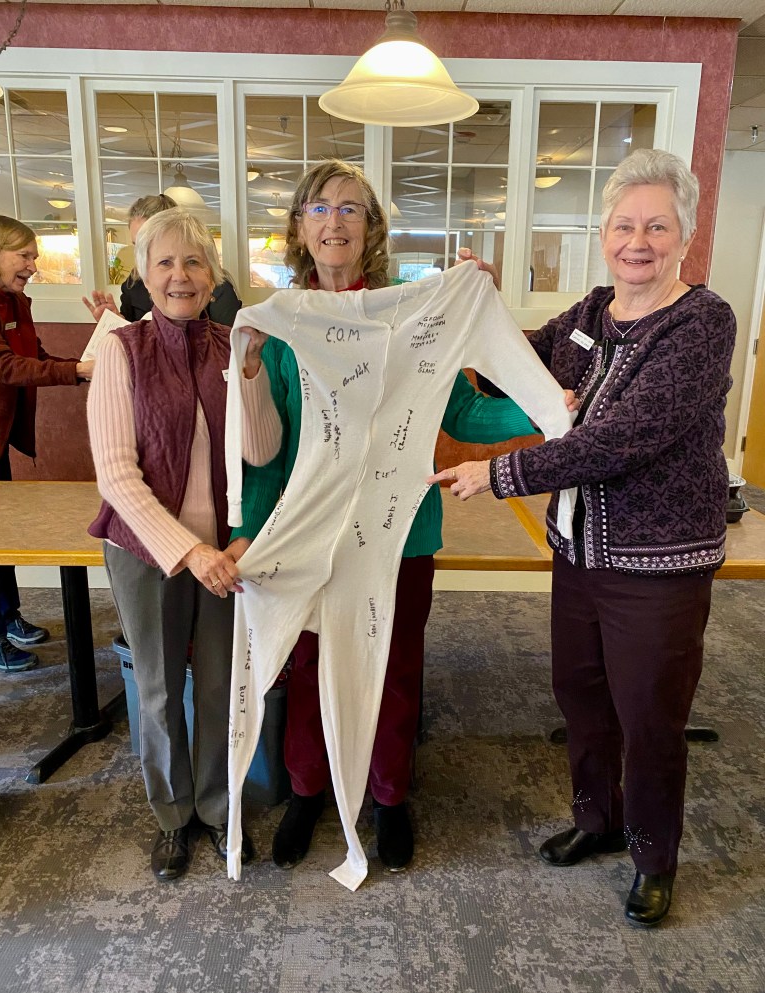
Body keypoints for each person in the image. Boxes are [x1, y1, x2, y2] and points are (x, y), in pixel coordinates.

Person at [430, 149, 736, 928]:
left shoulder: (701, 322)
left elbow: (622, 439)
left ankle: (653, 857)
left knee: (649, 716)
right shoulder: (592, 313)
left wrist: (498, 475)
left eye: (657, 226)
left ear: (685, 235)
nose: (639, 240)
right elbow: (518, 366)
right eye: (625, 225)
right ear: (604, 234)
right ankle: (597, 820)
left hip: (658, 565)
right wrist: (480, 307)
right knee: (583, 696)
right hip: (580, 553)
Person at [228, 158, 550, 874]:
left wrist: (549, 404)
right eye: (318, 208)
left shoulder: (411, 316)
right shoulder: (281, 327)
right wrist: (248, 531)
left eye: (350, 208)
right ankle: (309, 790)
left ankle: (390, 796)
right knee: (308, 665)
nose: (334, 220)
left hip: (401, 534)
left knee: (395, 666)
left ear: (370, 228)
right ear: (299, 229)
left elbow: (461, 411)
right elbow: (266, 452)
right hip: (306, 534)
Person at [86, 207, 282, 882]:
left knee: (227, 685)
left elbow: (260, 452)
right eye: (164, 262)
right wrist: (189, 552)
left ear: (213, 275)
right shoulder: (120, 348)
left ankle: (220, 807)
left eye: (193, 262)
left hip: (229, 551)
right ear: (143, 274)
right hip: (147, 550)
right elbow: (116, 474)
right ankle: (173, 816)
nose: (179, 275)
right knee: (163, 690)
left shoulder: (235, 342)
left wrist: (252, 378)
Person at [0, 215, 94, 673]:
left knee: (3, 533)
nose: (33, 264)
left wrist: (80, 364)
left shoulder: (16, 301)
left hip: (1, 438)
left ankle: (7, 615)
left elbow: (34, 359)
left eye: (33, 255)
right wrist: (76, 370)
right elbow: (7, 367)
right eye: (24, 255)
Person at [82, 194, 242, 326]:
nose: (179, 276)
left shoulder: (216, 287)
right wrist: (116, 321)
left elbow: (231, 345)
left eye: (192, 262)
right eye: (136, 246)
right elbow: (133, 340)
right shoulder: (133, 285)